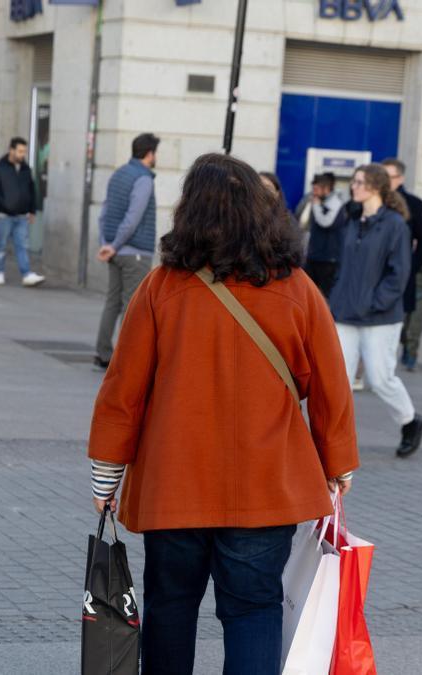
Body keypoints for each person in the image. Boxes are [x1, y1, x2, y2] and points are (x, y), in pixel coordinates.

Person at [88, 153, 358, 674]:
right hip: (266, 488)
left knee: (170, 607)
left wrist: (106, 475)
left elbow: (124, 390)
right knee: (254, 609)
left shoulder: (161, 288)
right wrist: (337, 463)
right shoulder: (297, 288)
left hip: (175, 487)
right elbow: (330, 385)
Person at [329, 163, 422, 458]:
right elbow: (341, 265)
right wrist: (335, 297)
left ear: (375, 187)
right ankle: (335, 441)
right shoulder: (351, 219)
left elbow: (399, 275)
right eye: (354, 182)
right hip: (345, 312)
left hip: (379, 316)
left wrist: (374, 303)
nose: (353, 187)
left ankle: (410, 421)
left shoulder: (395, 225)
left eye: (359, 182)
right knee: (338, 380)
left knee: (380, 377)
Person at [94, 133, 159, 370]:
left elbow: (105, 212)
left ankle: (102, 352)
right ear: (150, 153)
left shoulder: (119, 174)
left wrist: (106, 243)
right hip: (134, 253)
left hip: (114, 250)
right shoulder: (143, 179)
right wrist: (115, 244)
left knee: (112, 302)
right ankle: (124, 361)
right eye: (155, 153)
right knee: (132, 306)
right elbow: (133, 218)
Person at [382, 158, 422, 370]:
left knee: (399, 319)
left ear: (400, 178)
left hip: (400, 273)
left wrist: (413, 264)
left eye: (389, 177)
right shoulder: (375, 200)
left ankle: (396, 360)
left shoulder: (414, 203)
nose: (384, 181)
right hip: (375, 271)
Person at [0, 137, 45, 287]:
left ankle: (26, 274)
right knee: (1, 244)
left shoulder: (26, 169)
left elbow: (32, 190)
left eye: (24, 151)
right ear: (11, 150)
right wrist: (4, 203)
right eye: (19, 151)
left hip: (22, 215)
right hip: (3, 215)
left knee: (22, 245)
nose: (22, 154)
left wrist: (32, 210)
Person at [299, 172, 346, 297]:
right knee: (307, 291)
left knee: (325, 294)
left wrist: (316, 206)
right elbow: (301, 219)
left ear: (326, 189)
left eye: (316, 189)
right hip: (313, 256)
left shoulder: (335, 203)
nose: (313, 192)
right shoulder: (313, 199)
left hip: (328, 259)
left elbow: (326, 222)